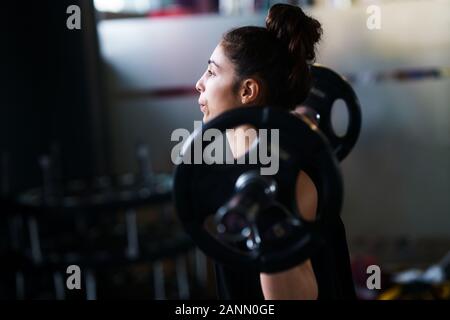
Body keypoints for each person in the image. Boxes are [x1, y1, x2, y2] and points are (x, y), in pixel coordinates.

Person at [195, 3, 356, 300]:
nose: (199, 84)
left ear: (247, 91)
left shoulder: (282, 181)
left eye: (211, 72)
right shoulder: (254, 170)